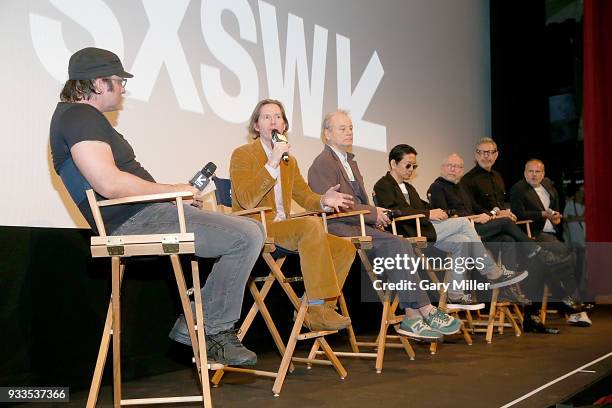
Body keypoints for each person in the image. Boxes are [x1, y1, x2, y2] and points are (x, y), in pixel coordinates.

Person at [50, 47, 266, 365]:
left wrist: (171, 195)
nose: (123, 87)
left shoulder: (78, 118)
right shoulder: (79, 116)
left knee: (246, 231)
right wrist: (171, 191)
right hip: (134, 220)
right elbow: (108, 183)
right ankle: (208, 327)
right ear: (98, 84)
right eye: (118, 80)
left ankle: (198, 320)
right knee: (247, 234)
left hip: (145, 213)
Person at [307, 110, 462, 341]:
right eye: (342, 128)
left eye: (350, 127)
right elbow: (337, 206)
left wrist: (374, 216)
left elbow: (358, 202)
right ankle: (423, 310)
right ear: (326, 134)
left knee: (399, 243)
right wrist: (373, 213)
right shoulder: (322, 164)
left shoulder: (350, 161)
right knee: (396, 244)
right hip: (340, 226)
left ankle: (412, 314)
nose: (349, 132)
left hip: (358, 223)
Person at [230, 99, 356, 332]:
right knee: (309, 225)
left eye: (278, 117)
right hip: (255, 228)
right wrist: (272, 162)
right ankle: (317, 308)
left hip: (282, 228)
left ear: (284, 125)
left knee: (345, 248)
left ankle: (316, 307)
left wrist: (323, 200)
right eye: (266, 117)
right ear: (257, 126)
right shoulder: (243, 155)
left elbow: (304, 196)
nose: (273, 121)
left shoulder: (290, 161)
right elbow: (246, 200)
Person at [373, 144, 527, 310]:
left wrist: (444, 212)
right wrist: (428, 214)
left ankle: (455, 294)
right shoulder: (382, 185)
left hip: (424, 229)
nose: (411, 169)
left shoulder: (409, 187)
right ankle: (492, 272)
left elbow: (422, 207)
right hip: (407, 233)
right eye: (408, 165)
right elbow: (395, 211)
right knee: (463, 223)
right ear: (393, 164)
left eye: (414, 166)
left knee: (462, 240)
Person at [510, 159, 592, 327]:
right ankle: (573, 307)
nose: (534, 174)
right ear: (525, 173)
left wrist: (555, 216)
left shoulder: (548, 186)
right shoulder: (519, 189)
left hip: (552, 233)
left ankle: (571, 306)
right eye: (530, 171)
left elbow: (554, 209)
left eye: (537, 171)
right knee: (566, 258)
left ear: (543, 173)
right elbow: (517, 213)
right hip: (534, 235)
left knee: (562, 262)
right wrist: (542, 214)